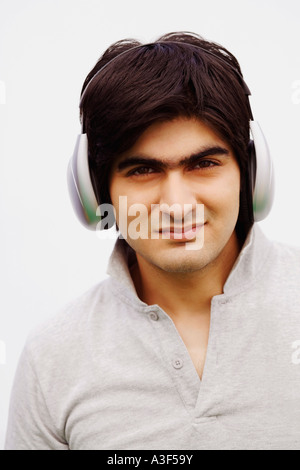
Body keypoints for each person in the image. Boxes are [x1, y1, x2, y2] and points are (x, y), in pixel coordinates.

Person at [5, 32, 300, 450]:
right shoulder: (52, 358)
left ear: (252, 175)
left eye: (204, 164)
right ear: (96, 192)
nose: (177, 206)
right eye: (143, 170)